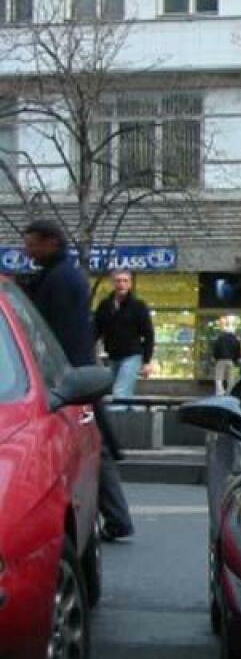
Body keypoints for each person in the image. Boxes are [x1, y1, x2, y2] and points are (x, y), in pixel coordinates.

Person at [21, 219, 134, 541]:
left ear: (51, 242)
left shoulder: (58, 280)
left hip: (70, 380)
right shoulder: (60, 276)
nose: (27, 250)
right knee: (95, 445)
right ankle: (116, 516)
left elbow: (53, 332)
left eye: (32, 243)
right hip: (77, 377)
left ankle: (114, 516)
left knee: (91, 446)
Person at [94, 268, 155, 402]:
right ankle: (129, 419)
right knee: (121, 394)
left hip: (132, 356)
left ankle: (118, 421)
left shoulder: (138, 306)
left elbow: (149, 334)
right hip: (113, 355)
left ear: (130, 284)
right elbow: (96, 330)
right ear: (113, 283)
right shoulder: (105, 306)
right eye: (118, 281)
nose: (121, 284)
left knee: (120, 392)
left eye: (125, 281)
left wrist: (146, 361)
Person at [211, 316, 241, 395]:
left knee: (219, 377)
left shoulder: (220, 338)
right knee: (231, 378)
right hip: (230, 360)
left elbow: (216, 348)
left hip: (221, 360)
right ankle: (229, 392)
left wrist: (215, 357)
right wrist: (236, 360)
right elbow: (238, 350)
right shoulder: (235, 339)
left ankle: (219, 392)